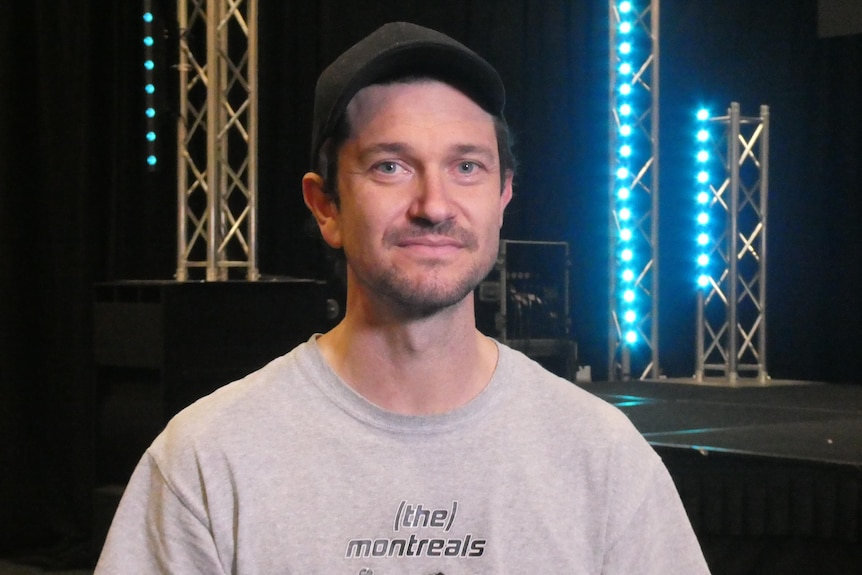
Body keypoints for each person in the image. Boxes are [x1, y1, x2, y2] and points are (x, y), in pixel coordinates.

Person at [95, 21, 710, 574]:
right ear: (325, 206)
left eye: (467, 167)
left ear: (503, 199)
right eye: (391, 166)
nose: (434, 205)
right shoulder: (208, 459)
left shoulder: (600, 457)